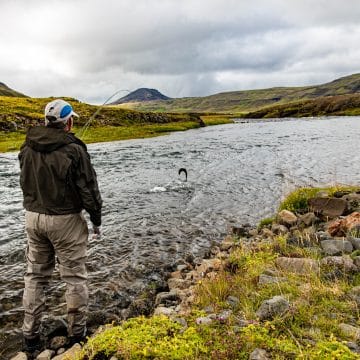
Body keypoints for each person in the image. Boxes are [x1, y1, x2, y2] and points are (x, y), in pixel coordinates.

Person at [18, 99, 102, 353]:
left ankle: (29, 340)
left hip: (33, 218)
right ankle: (77, 337)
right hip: (65, 221)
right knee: (74, 277)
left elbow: (25, 182)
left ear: (46, 120)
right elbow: (88, 189)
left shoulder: (26, 146)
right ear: (69, 122)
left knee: (35, 276)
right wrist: (96, 220)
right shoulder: (74, 149)